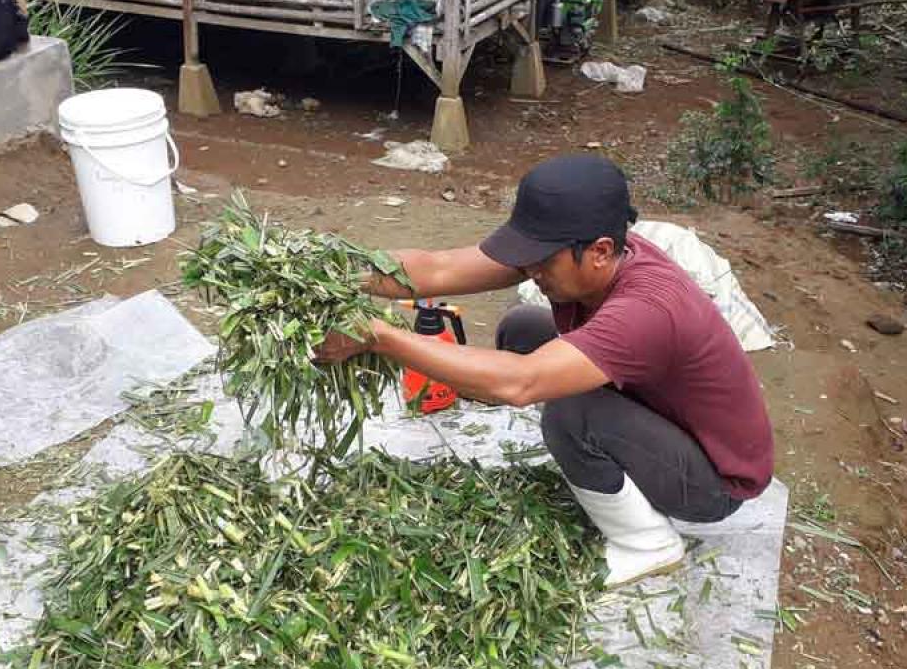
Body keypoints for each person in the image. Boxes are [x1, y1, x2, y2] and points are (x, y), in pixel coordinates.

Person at [317, 154, 773, 588]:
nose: (529, 267)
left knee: (570, 410)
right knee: (523, 328)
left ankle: (647, 542)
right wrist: (328, 271)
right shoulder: (589, 253)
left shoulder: (646, 310)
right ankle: (599, 465)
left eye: (542, 258)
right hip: (659, 414)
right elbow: (439, 268)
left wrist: (379, 336)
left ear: (599, 251)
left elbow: (520, 383)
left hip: (713, 483)